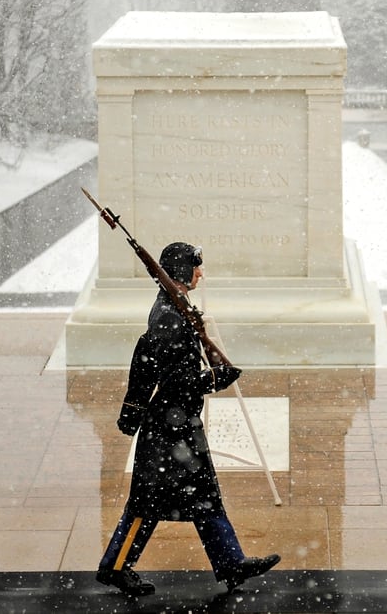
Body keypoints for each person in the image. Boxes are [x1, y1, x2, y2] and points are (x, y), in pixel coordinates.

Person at [96, 242, 281, 597]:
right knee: (145, 503)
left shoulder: (174, 308)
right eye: (196, 267)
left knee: (204, 495)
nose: (201, 273)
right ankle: (116, 567)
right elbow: (174, 380)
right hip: (167, 427)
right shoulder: (168, 315)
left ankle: (231, 563)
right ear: (180, 270)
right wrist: (213, 379)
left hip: (178, 425)